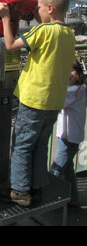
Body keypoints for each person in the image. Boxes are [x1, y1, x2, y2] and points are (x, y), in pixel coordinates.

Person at [0, 0, 76, 207]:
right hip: (54, 102)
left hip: (33, 101)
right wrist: (38, 17)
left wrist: (4, 17)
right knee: (40, 145)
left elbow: (11, 45)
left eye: (39, 7)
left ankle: (19, 192)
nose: (36, 11)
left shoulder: (42, 32)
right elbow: (50, 31)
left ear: (50, 8)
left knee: (21, 145)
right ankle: (37, 188)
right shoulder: (69, 35)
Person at [51, 59, 87, 206]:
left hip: (68, 137)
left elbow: (59, 100)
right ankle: (73, 197)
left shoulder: (74, 91)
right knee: (69, 168)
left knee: (56, 170)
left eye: (71, 70)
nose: (68, 74)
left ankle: (51, 201)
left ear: (78, 74)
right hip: (71, 136)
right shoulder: (81, 90)